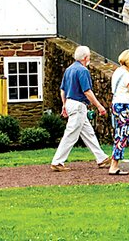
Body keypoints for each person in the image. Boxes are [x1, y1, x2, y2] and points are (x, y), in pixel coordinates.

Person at [50, 44, 110, 172]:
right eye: (89, 57)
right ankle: (57, 161)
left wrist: (64, 105)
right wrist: (99, 106)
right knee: (71, 134)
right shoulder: (83, 71)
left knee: (88, 133)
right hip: (78, 105)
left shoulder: (69, 69)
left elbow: (62, 90)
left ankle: (101, 158)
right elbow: (87, 91)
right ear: (85, 57)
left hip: (71, 103)